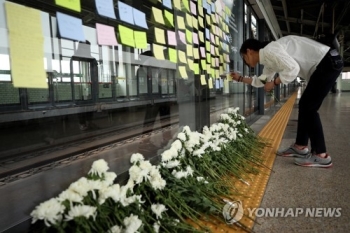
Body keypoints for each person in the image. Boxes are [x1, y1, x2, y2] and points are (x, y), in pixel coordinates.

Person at [230, 35, 343, 168]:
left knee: (309, 107)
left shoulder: (270, 51)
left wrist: (275, 83)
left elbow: (293, 69)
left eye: (244, 57)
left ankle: (321, 155)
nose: (245, 61)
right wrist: (240, 79)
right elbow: (262, 81)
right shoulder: (268, 57)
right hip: (327, 63)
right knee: (305, 105)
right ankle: (300, 146)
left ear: (249, 51)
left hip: (327, 63)